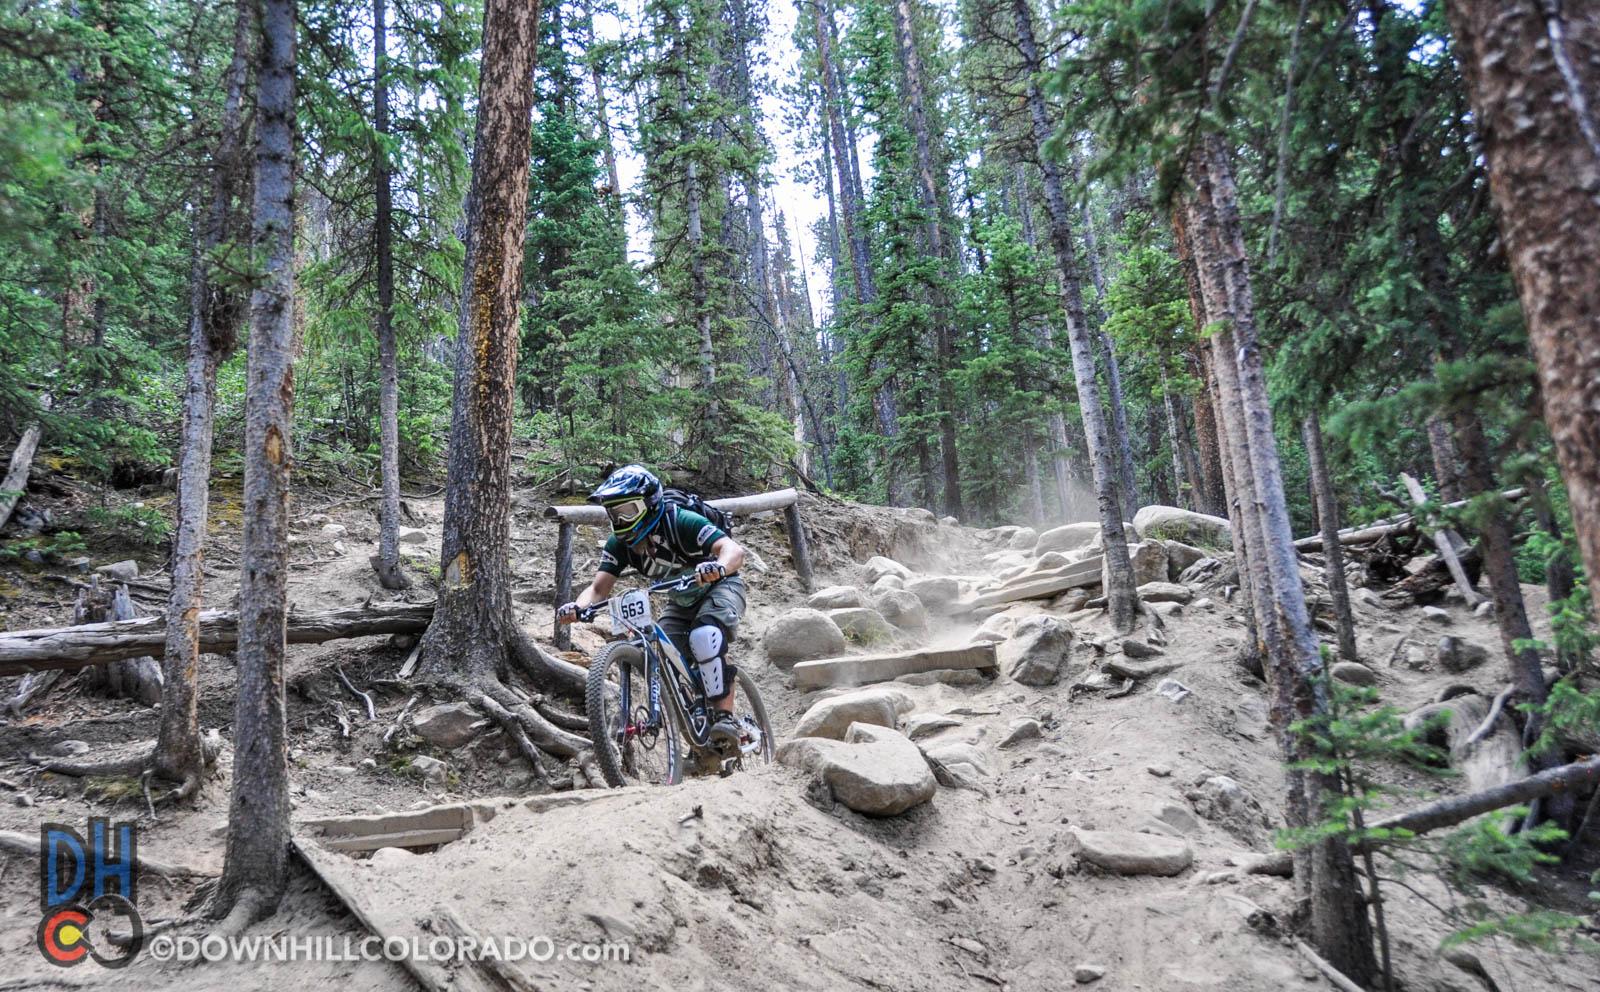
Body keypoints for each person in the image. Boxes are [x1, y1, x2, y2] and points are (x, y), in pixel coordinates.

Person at [557, 465, 748, 747]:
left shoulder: (680, 520)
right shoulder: (619, 544)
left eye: (628, 511)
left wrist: (718, 567)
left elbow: (733, 550)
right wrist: (577, 606)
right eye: (614, 513)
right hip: (681, 601)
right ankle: (698, 727)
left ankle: (725, 718)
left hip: (721, 587)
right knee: (659, 657)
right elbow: (598, 589)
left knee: (705, 637)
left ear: (649, 504)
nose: (621, 521)